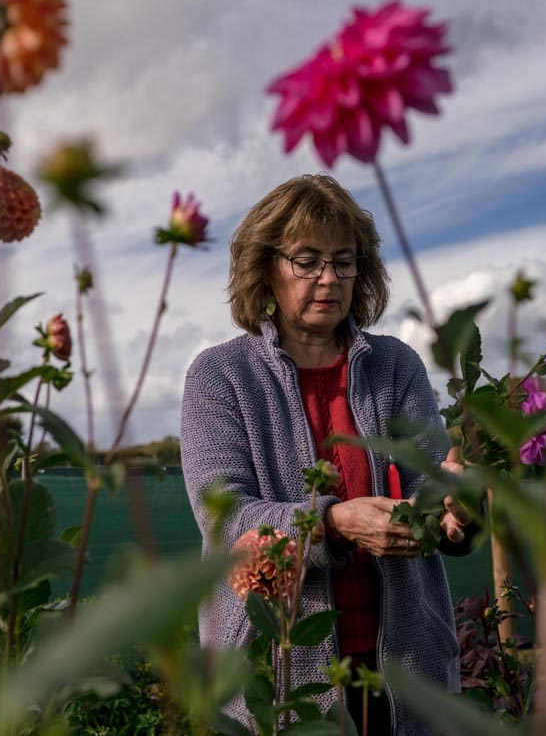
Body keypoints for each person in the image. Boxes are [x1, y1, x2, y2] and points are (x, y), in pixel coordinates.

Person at [180, 174, 473, 735]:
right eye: (307, 260)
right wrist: (333, 523)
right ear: (265, 268)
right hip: (276, 668)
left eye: (344, 261)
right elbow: (225, 517)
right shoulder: (220, 376)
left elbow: (425, 483)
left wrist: (453, 507)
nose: (329, 278)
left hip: (402, 669)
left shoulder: (395, 365)